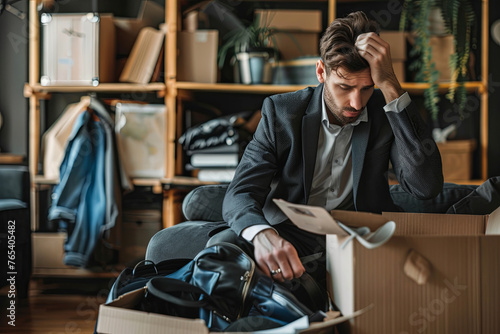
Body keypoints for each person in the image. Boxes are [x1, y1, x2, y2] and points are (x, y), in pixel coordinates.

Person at [146, 11, 443, 287]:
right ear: (321, 72)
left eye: (366, 88)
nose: (356, 103)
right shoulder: (282, 112)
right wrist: (264, 235)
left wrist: (390, 84)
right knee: (224, 242)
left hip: (356, 233)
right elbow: (243, 191)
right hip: (292, 226)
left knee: (201, 207)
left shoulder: (384, 111)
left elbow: (426, 186)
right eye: (344, 87)